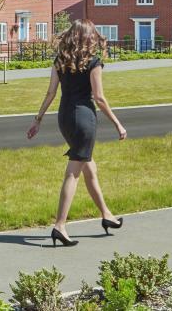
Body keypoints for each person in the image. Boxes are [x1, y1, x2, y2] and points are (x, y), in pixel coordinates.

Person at [27, 19, 127, 247]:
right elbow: (99, 98)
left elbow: (51, 92)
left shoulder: (60, 60)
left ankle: (107, 215)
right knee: (73, 172)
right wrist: (118, 124)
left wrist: (38, 120)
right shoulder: (94, 62)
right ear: (89, 37)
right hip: (84, 119)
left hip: (65, 118)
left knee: (90, 168)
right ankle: (60, 226)